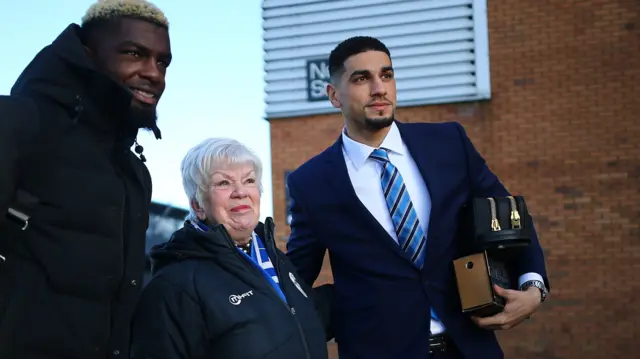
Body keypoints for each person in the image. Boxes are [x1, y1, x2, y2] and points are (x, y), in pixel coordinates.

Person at [285, 36, 550, 359]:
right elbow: (295, 275)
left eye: (386, 75)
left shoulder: (448, 143)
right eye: (361, 78)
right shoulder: (311, 183)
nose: (379, 88)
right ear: (333, 95)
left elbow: (511, 214)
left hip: (468, 347)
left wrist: (533, 286)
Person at [0, 1, 171, 358]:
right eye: (133, 53)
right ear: (87, 54)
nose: (154, 73)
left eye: (162, 62)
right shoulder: (20, 123)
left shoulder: (134, 172)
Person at [129, 138, 332, 359]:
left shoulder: (278, 263)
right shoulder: (174, 287)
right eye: (223, 183)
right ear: (198, 205)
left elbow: (295, 324)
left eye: (249, 180)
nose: (240, 192)